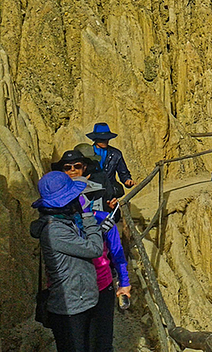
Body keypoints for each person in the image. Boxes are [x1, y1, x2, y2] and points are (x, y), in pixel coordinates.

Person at [30, 171, 105, 352]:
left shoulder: (64, 222)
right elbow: (95, 249)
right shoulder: (55, 231)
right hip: (70, 310)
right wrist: (87, 216)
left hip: (82, 302)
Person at [79, 190, 131, 352]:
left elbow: (116, 252)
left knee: (101, 340)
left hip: (100, 285)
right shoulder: (63, 224)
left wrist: (124, 282)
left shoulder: (104, 219)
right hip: (76, 290)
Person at [86, 123, 135, 197]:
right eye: (101, 139)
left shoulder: (116, 154)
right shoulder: (86, 153)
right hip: (90, 191)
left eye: (106, 139)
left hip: (109, 191)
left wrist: (127, 180)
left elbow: (123, 173)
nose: (105, 141)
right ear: (95, 139)